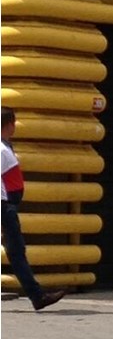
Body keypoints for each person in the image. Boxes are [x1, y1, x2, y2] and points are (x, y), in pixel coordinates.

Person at [1, 107, 65, 311]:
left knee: (15, 251)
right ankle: (38, 296)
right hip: (5, 204)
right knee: (17, 251)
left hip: (7, 204)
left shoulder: (5, 146)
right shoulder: (1, 150)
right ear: (10, 124)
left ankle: (37, 296)